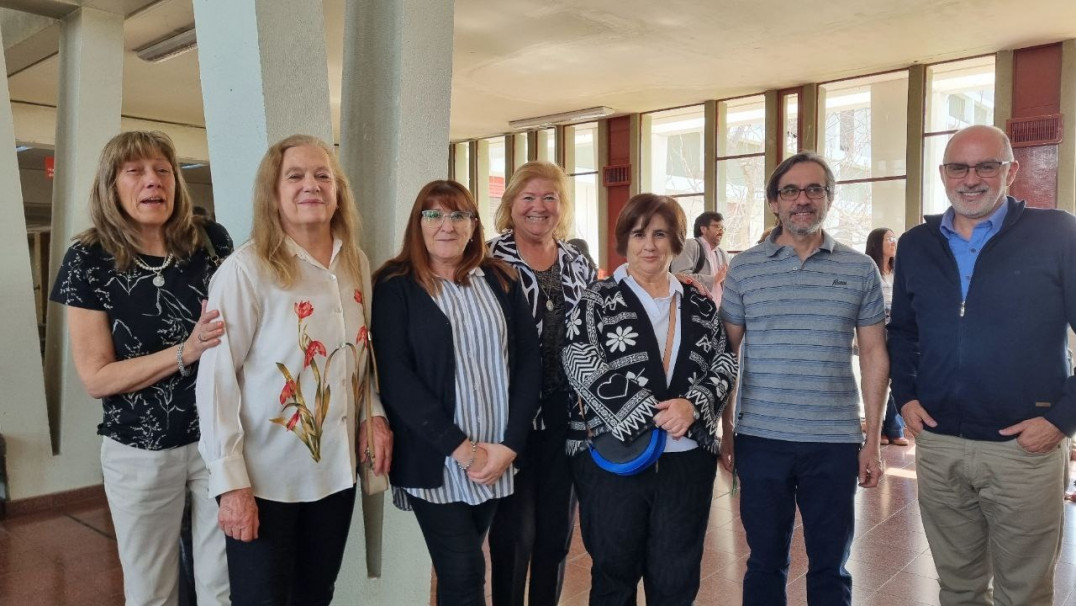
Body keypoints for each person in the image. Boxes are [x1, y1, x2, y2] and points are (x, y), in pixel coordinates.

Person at [195, 134, 391, 606]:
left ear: (338, 190)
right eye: (296, 176)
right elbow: (216, 381)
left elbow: (360, 355)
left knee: (315, 595)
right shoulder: (245, 271)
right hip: (265, 483)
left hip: (336, 474)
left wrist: (374, 414)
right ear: (273, 192)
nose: (312, 185)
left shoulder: (355, 263)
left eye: (323, 175)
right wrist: (231, 485)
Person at [888, 124, 1076, 606]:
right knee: (958, 586)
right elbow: (904, 332)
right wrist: (905, 397)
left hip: (1023, 450)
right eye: (959, 167)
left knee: (1024, 592)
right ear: (943, 173)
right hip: (940, 445)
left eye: (986, 166)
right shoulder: (915, 244)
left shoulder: (1057, 232)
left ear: (1010, 171)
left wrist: (1060, 421)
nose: (971, 179)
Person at [49, 130, 232, 605]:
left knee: (223, 585)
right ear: (112, 185)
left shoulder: (210, 242)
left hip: (218, 439)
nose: (153, 181)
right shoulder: (88, 260)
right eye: (136, 171)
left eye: (163, 170)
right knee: (152, 590)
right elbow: (96, 377)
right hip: (141, 450)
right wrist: (183, 353)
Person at [720, 152, 888, 605]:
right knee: (764, 561)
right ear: (774, 201)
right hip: (761, 438)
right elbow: (727, 356)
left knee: (831, 565)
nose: (803, 199)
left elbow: (873, 354)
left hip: (832, 441)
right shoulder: (746, 268)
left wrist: (872, 439)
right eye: (790, 190)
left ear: (829, 198)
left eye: (815, 189)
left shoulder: (859, 269)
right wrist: (727, 430)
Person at [562, 193, 738, 605]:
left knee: (676, 579)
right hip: (615, 462)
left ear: (677, 243)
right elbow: (577, 356)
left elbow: (724, 362)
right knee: (613, 574)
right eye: (639, 233)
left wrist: (691, 405)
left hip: (686, 459)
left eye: (661, 234)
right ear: (624, 240)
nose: (650, 245)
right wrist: (641, 412)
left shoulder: (698, 302)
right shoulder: (596, 299)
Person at [371, 180, 540, 606]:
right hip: (438, 461)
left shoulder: (501, 279)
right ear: (418, 223)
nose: (446, 225)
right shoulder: (395, 286)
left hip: (496, 459)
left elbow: (528, 366)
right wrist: (462, 450)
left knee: (456, 580)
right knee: (465, 574)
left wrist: (508, 447)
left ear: (473, 225)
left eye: (458, 215)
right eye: (434, 215)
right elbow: (395, 378)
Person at [486, 161, 597, 606]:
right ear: (511, 205)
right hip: (510, 416)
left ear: (562, 206)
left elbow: (601, 324)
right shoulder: (488, 261)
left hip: (567, 417)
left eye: (549, 197)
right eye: (528, 197)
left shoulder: (577, 261)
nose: (538, 207)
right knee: (514, 535)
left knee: (555, 534)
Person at [864, 227, 909, 447]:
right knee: (879, 377)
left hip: (897, 329)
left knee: (896, 377)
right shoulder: (869, 270)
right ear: (876, 243)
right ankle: (879, 428)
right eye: (888, 238)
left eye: (894, 238)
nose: (893, 242)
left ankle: (894, 426)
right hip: (876, 329)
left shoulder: (898, 270)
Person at [670, 210, 730, 305]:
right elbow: (679, 276)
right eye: (717, 227)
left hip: (719, 312)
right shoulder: (689, 245)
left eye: (722, 228)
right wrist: (713, 279)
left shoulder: (723, 253)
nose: (721, 231)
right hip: (695, 310)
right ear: (703, 229)